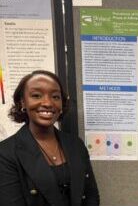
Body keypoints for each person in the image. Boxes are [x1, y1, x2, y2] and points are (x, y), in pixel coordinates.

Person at [0, 70, 100, 206]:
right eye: (36, 95)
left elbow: (91, 197)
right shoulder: (5, 153)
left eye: (55, 97)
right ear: (23, 102)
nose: (48, 102)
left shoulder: (76, 144)